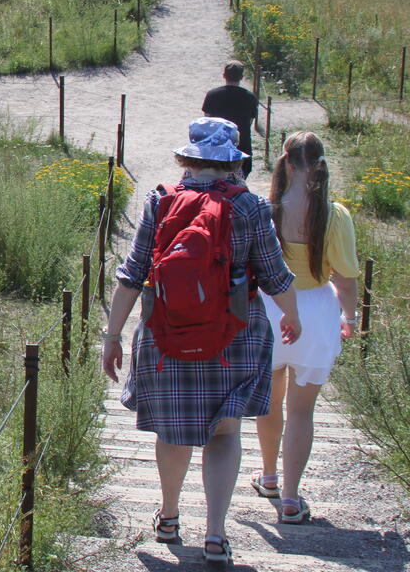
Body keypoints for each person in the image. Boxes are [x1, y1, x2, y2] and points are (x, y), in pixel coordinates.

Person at [102, 117, 299, 566]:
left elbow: (132, 274)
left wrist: (113, 336)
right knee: (225, 431)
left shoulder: (161, 200)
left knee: (173, 430)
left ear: (187, 157)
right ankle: (215, 535)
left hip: (167, 333)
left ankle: (169, 517)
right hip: (236, 335)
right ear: (231, 161)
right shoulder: (249, 206)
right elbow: (273, 276)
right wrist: (294, 316)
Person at [252, 132, 359, 523]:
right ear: (318, 164)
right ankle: (293, 498)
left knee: (269, 398)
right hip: (315, 310)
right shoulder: (333, 214)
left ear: (285, 162)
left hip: (269, 307)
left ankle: (268, 477)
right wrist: (350, 317)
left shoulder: (266, 209)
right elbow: (345, 279)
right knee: (302, 412)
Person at [202, 62, 258, 177]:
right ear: (242, 77)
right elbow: (250, 122)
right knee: (239, 180)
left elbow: (207, 120)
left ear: (224, 75)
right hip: (242, 146)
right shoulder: (250, 97)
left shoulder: (212, 95)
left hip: (216, 146)